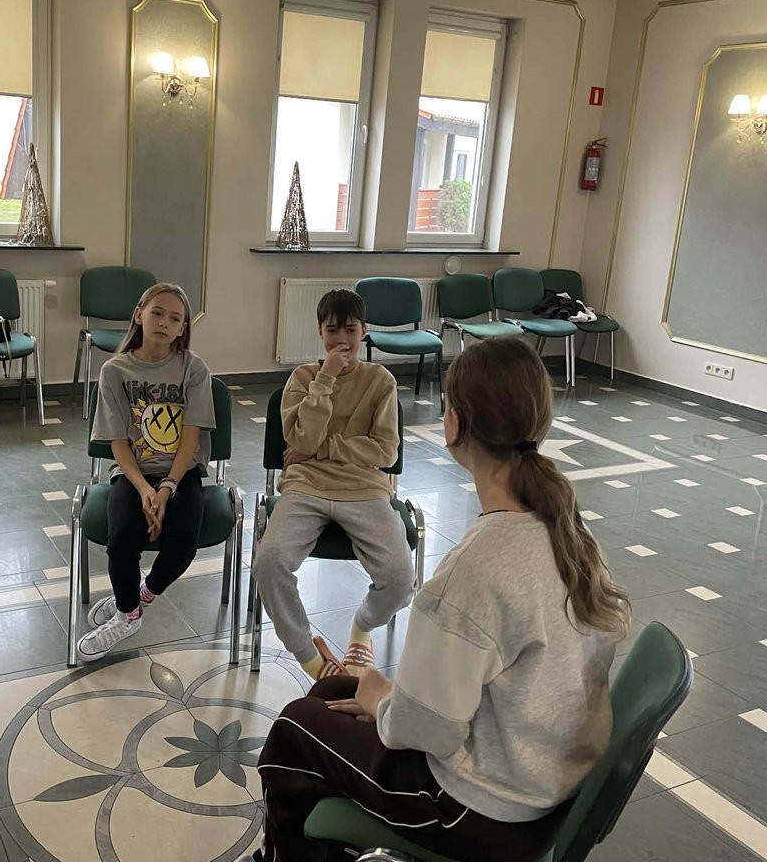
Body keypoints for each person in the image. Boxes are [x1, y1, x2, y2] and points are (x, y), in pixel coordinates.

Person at [255, 337, 630, 862]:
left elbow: (425, 729)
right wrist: (384, 697)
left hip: (476, 809)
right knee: (336, 690)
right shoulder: (572, 535)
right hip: (545, 783)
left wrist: (384, 703)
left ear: (453, 425)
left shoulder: (470, 573)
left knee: (295, 727)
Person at [252, 288, 413, 681]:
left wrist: (324, 448)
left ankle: (362, 626)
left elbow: (385, 451)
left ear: (364, 331)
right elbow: (299, 441)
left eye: (351, 330)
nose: (342, 340)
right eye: (332, 330)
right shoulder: (303, 378)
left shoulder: (380, 380)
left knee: (399, 579)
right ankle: (311, 658)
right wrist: (324, 380)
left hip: (365, 489)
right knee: (269, 563)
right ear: (320, 333)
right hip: (305, 486)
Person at [78, 282, 214, 662]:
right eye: (157, 312)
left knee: (183, 540)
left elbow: (191, 438)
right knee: (122, 537)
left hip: (181, 473)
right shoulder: (114, 370)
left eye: (175, 318)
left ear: (183, 328)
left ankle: (141, 597)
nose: (165, 322)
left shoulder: (194, 369)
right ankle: (127, 616)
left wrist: (167, 487)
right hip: (132, 473)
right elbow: (118, 442)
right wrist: (144, 490)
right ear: (139, 315)